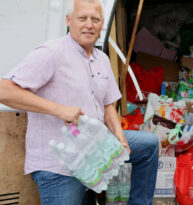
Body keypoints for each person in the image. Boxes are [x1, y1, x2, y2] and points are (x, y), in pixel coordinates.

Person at [0, 0, 159, 204]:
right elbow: (4, 91)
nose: (89, 24)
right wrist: (59, 110)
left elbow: (108, 105)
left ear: (102, 24)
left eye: (95, 19)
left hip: (95, 149)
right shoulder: (51, 52)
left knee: (148, 145)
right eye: (82, 18)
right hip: (60, 164)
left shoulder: (101, 59)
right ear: (69, 20)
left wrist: (120, 138)